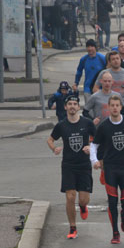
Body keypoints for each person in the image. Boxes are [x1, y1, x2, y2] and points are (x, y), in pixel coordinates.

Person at [91, 95, 124, 244]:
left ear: (120, 107)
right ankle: (115, 232)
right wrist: (94, 161)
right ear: (108, 107)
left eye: (117, 105)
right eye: (112, 105)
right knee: (112, 202)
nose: (114, 108)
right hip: (110, 168)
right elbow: (94, 145)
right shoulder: (104, 126)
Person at [48, 94, 96, 239]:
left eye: (75, 104)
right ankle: (72, 227)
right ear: (65, 107)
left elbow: (98, 140)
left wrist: (90, 147)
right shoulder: (61, 125)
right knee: (70, 197)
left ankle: (82, 207)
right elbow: (50, 139)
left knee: (83, 199)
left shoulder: (87, 123)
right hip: (68, 165)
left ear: (78, 107)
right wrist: (54, 148)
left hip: (84, 165)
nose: (72, 106)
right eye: (70, 104)